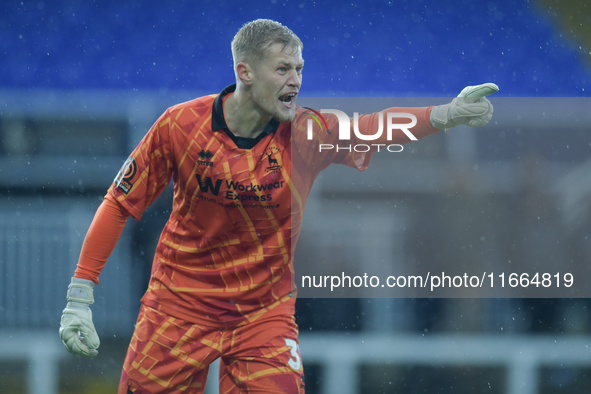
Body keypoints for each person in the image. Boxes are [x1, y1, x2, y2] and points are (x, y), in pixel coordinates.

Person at [59, 19, 494, 394]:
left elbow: (371, 128)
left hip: (262, 317)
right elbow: (119, 202)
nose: (296, 81)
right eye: (283, 69)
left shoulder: (307, 134)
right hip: (178, 307)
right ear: (245, 72)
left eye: (300, 69)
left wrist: (445, 114)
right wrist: (80, 294)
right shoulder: (180, 126)